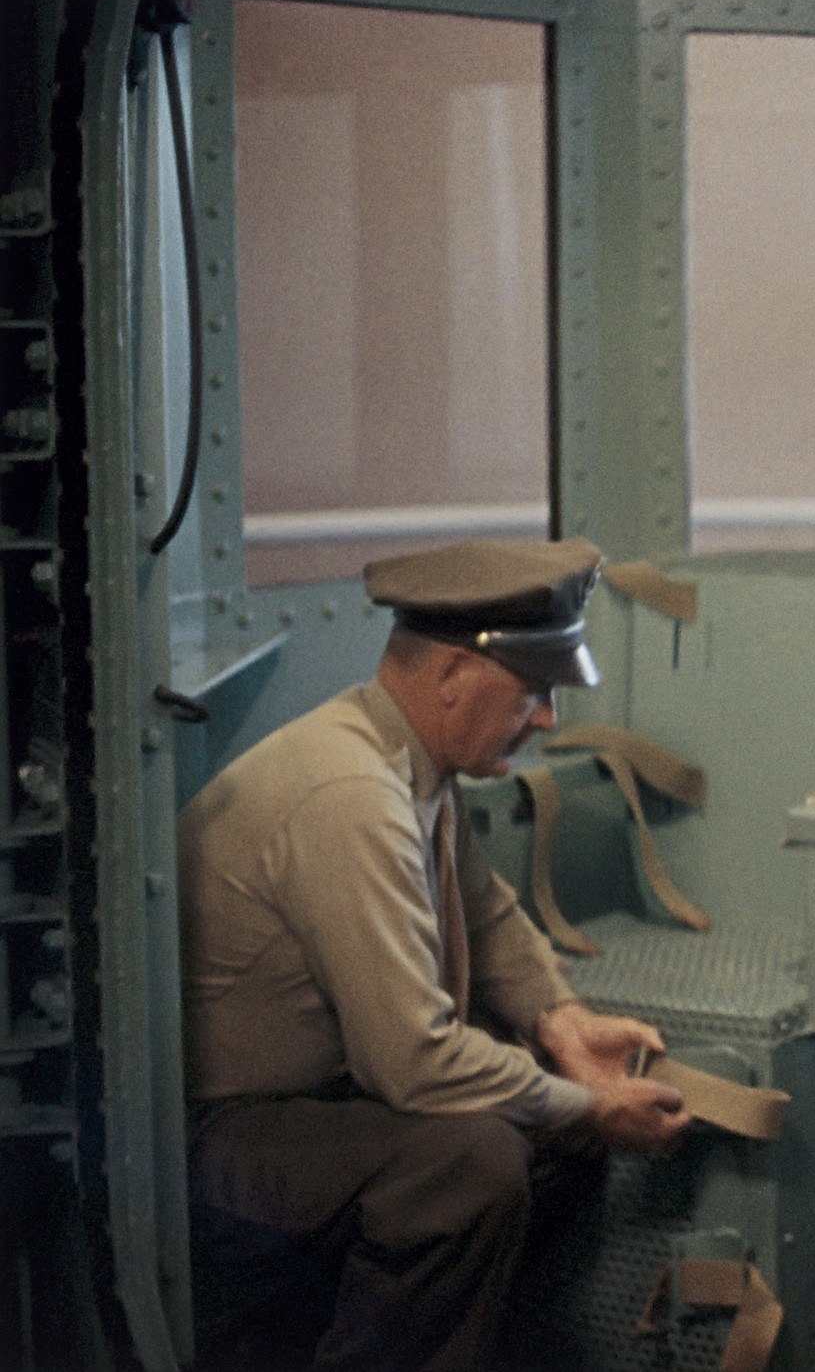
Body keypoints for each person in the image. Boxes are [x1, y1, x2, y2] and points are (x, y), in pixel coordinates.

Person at [179, 537, 690, 1371]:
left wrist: (562, 1023)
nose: (549, 719)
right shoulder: (353, 795)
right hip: (214, 1136)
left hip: (313, 1102)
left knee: (544, 1125)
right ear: (453, 677)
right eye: (533, 690)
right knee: (473, 1163)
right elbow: (412, 1061)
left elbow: (485, 914)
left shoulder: (406, 759)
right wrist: (584, 1103)